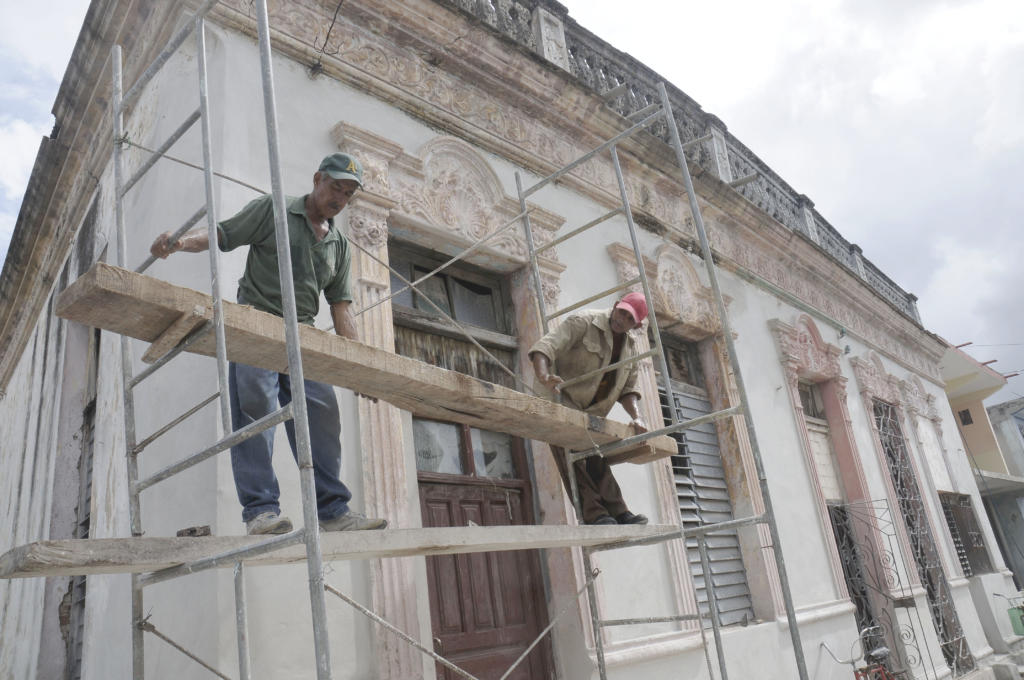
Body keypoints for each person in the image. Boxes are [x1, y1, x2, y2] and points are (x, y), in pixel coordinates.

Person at [150, 152, 387, 535]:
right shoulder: (273, 210)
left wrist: (358, 370)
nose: (340, 199)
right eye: (335, 188)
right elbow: (222, 234)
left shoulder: (339, 245)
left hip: (305, 335)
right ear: (317, 179)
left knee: (323, 416)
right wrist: (178, 244)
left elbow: (342, 308)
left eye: (348, 194)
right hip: (257, 323)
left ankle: (332, 511)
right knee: (255, 409)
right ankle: (261, 511)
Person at [528, 292, 651, 526]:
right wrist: (544, 376)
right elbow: (544, 348)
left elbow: (628, 389)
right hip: (558, 398)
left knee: (597, 456)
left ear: (636, 325)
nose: (621, 320)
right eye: (621, 312)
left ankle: (620, 512)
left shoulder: (631, 348)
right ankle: (595, 515)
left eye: (629, 319)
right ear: (615, 306)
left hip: (591, 410)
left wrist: (638, 417)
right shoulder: (584, 321)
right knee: (571, 456)